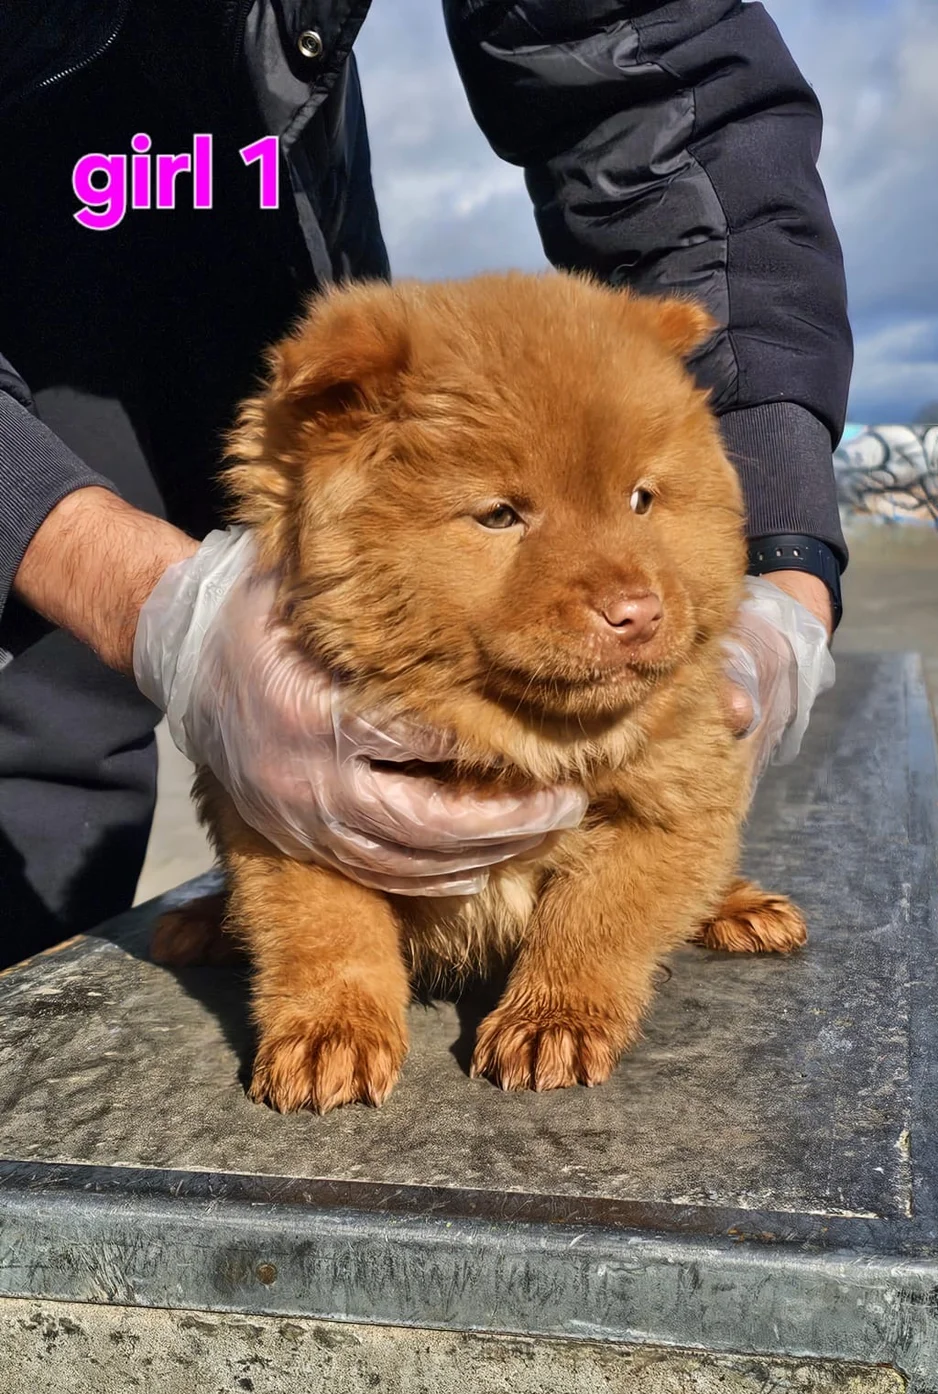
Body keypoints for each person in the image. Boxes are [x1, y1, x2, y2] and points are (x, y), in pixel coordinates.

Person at [0, 1, 851, 969]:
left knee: (331, 692)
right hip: (27, 244)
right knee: (43, 733)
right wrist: (126, 588)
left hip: (274, 206)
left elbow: (671, 90)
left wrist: (785, 572)